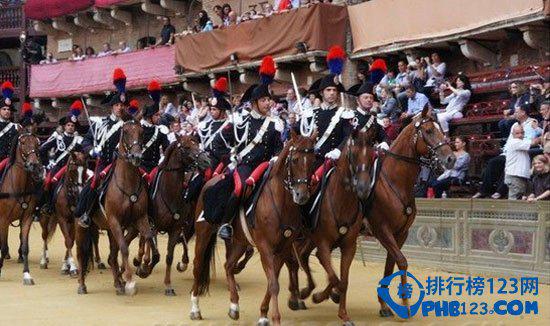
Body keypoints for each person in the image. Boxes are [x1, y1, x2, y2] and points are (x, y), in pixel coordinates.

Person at [214, 57, 283, 240]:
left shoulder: (276, 124)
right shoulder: (240, 121)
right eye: (264, 100)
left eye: (269, 100)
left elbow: (278, 147)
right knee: (239, 188)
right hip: (246, 166)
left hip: (268, 166)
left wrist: (277, 156)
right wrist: (228, 159)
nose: (268, 103)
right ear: (254, 103)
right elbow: (217, 142)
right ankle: (226, 224)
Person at [75, 69, 129, 228]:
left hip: (123, 164)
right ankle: (86, 213)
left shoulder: (128, 125)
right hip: (105, 163)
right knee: (93, 183)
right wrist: (92, 150)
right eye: (117, 105)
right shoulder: (100, 123)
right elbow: (86, 141)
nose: (120, 108)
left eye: (122, 105)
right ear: (112, 106)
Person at [473, 104, 541, 199]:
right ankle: (484, 190)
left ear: (523, 112)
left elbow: (539, 134)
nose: (515, 114)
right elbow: (510, 139)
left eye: (517, 112)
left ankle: (500, 191)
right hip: (511, 150)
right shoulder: (514, 125)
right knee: (493, 162)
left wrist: (538, 130)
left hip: (525, 149)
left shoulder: (532, 122)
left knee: (511, 166)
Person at [37, 101, 84, 213]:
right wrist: (47, 162)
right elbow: (42, 149)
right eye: (68, 125)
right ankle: (48, 205)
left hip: (74, 168)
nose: (70, 127)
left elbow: (84, 153)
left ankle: (84, 208)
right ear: (64, 126)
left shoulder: (79, 140)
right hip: (59, 166)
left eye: (73, 126)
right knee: (48, 182)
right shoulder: (58, 138)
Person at [504, 124, 541, 200]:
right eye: (517, 133)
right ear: (513, 134)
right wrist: (545, 135)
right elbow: (533, 142)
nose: (520, 135)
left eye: (522, 133)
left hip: (521, 176)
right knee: (515, 201)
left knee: (528, 198)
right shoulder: (514, 142)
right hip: (515, 176)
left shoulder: (521, 142)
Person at [353, 81, 388, 148]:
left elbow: (385, 137)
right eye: (365, 97)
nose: (369, 100)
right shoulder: (350, 117)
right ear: (358, 100)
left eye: (371, 98)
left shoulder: (374, 120)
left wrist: (385, 143)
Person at [140, 103, 170, 173]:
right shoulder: (139, 129)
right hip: (140, 167)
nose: (159, 117)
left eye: (159, 115)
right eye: (156, 115)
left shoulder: (161, 130)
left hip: (156, 167)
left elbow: (167, 149)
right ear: (149, 117)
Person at [0, 81, 19, 174]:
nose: (7, 111)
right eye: (4, 109)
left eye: (8, 109)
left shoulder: (16, 127)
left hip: (12, 162)